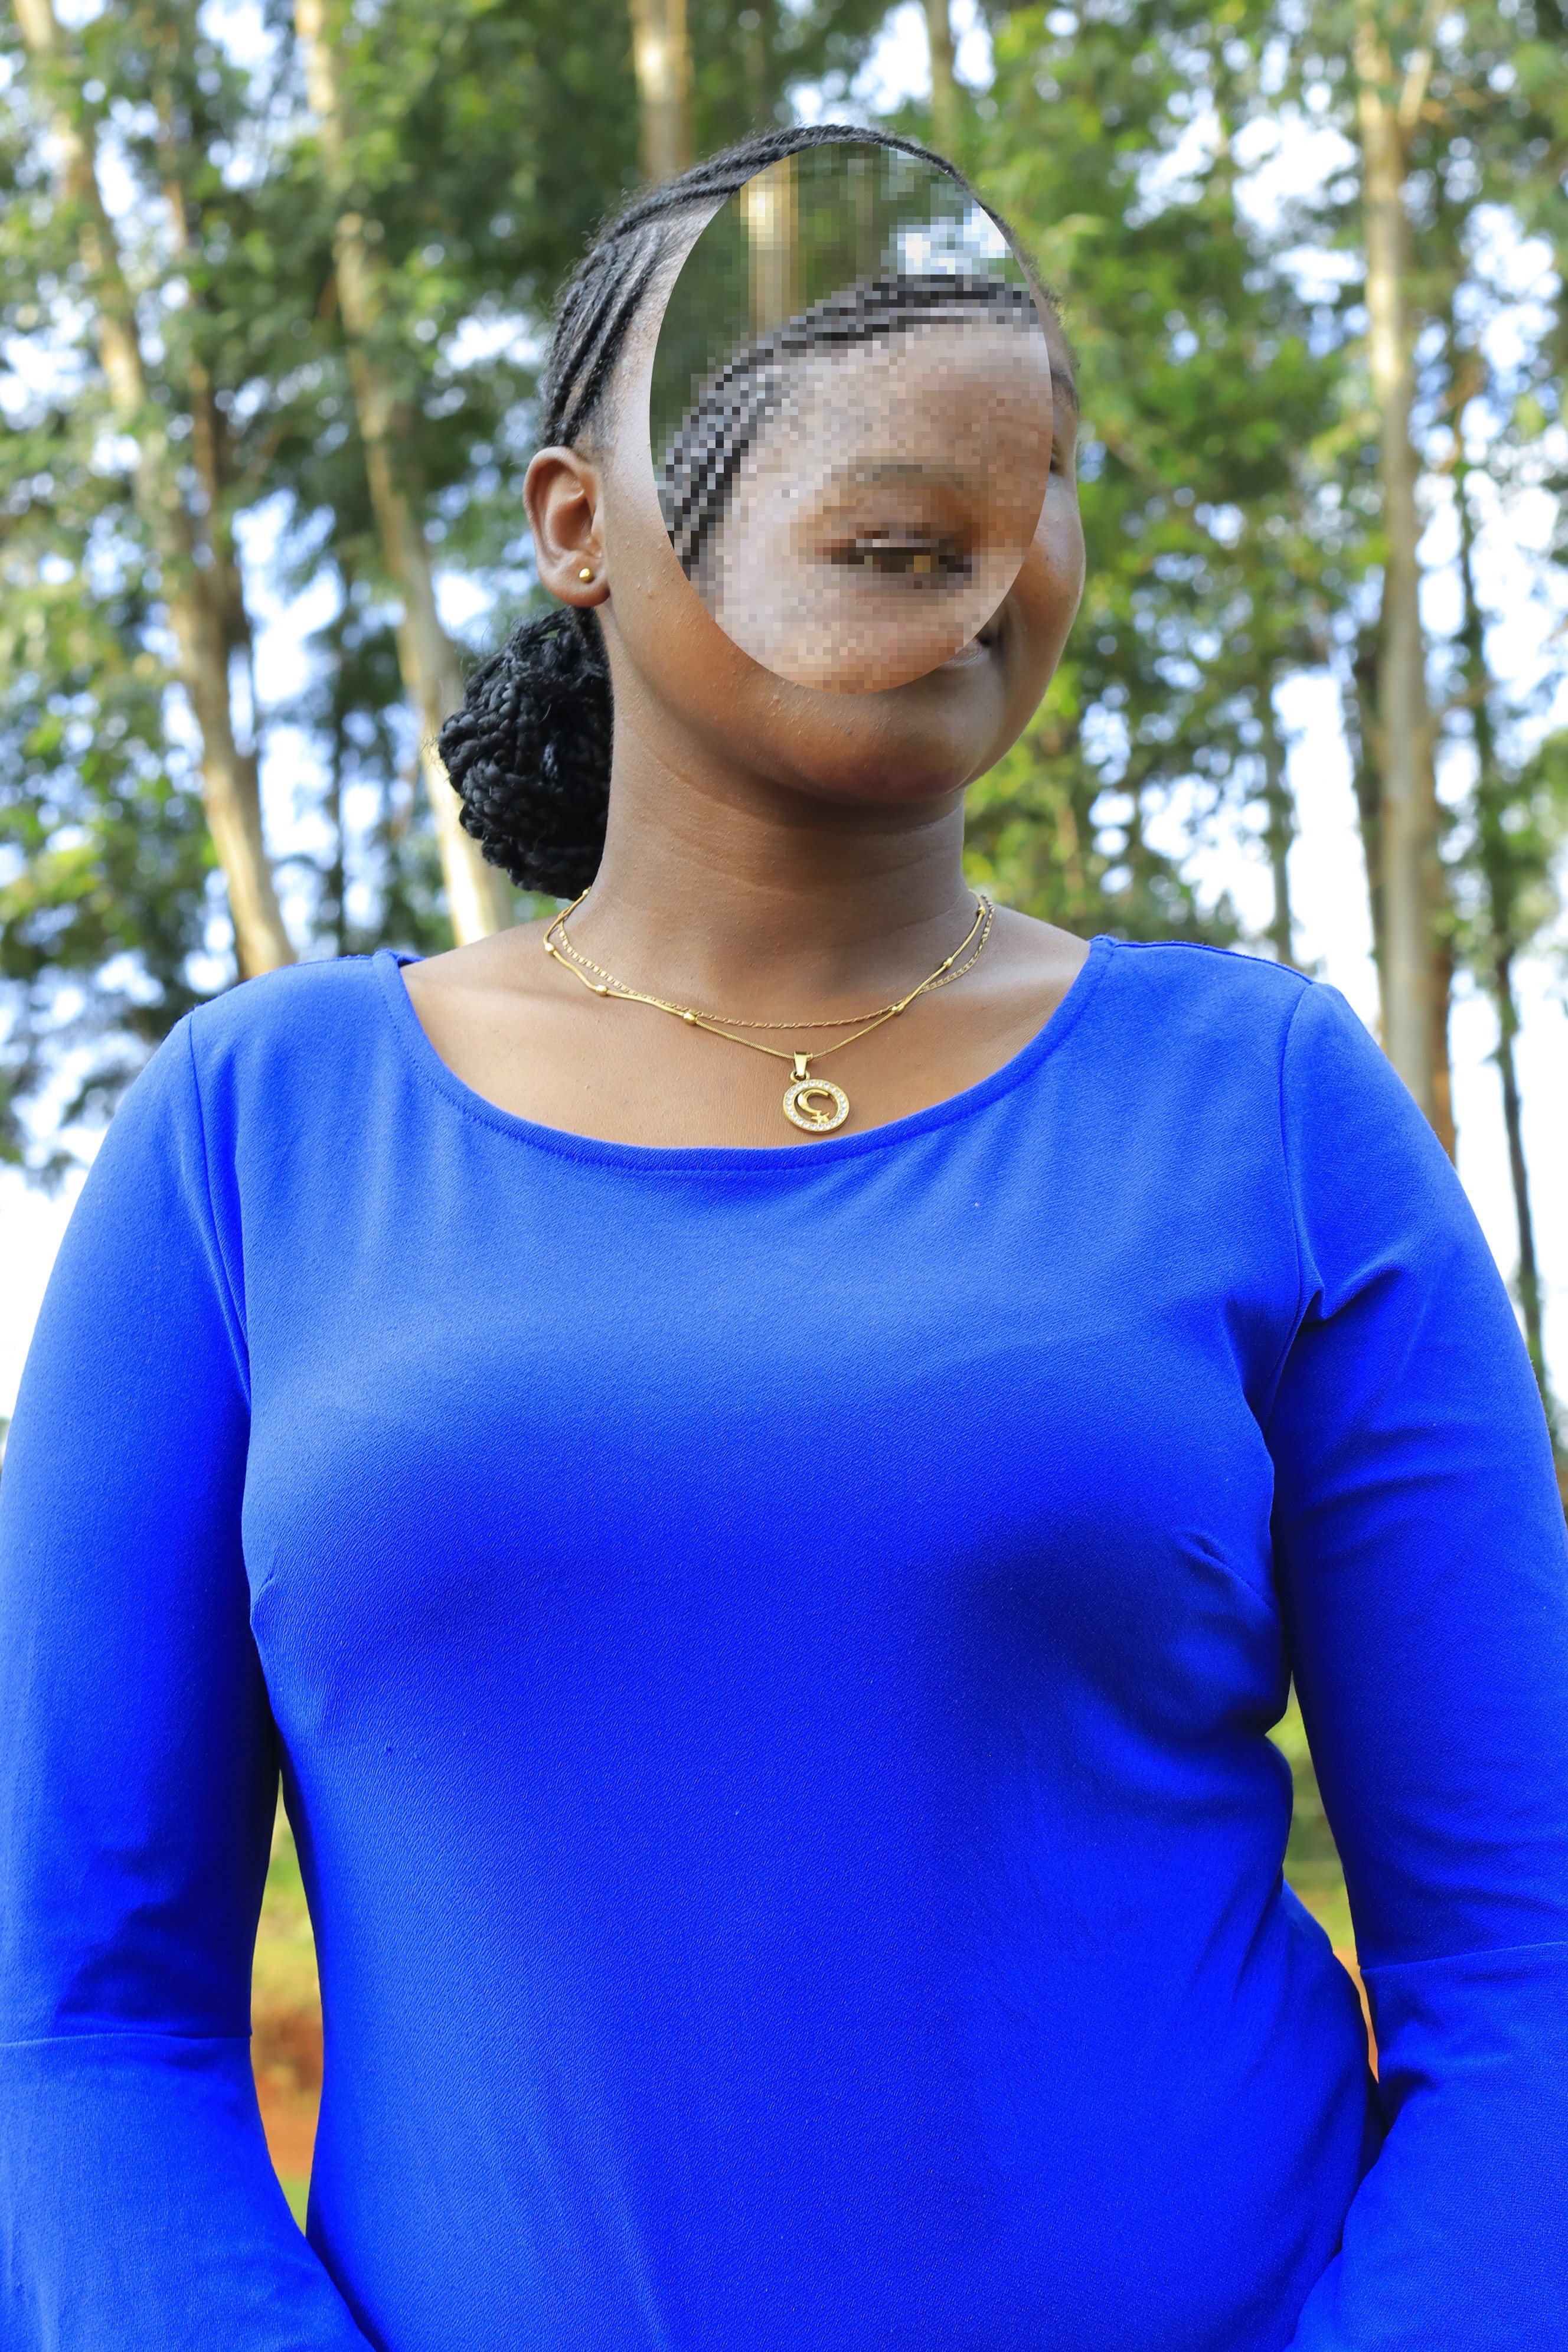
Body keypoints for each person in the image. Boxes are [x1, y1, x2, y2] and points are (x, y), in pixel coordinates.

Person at [1, 120, 1565, 2352]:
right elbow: (83, 2023)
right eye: (892, 492)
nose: (990, 546)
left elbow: (1525, 1976)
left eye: (1041, 487)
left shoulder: (1268, 1099)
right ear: (579, 523)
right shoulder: (251, 1133)